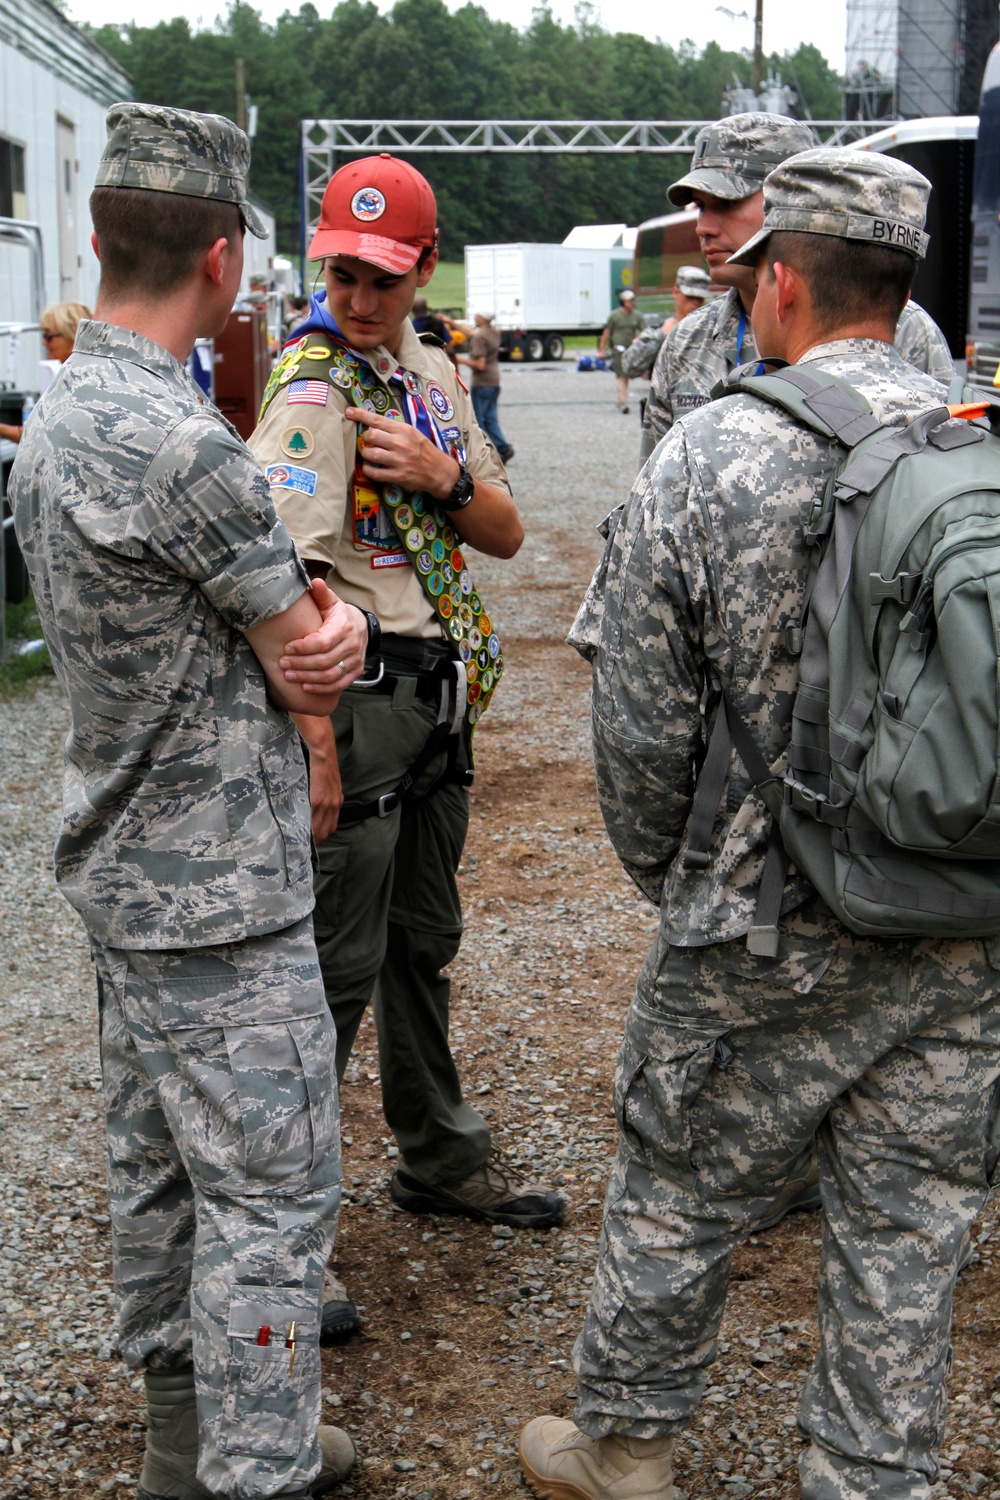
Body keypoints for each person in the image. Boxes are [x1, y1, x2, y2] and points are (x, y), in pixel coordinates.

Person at [520, 146, 1000, 1500]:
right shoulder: (977, 435)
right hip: (963, 912)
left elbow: (640, 734)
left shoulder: (712, 450)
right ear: (899, 282)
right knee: (914, 1222)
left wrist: (678, 875)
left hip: (757, 916)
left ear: (780, 282)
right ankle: (871, 1473)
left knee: (679, 1175)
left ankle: (626, 1450)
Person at [10, 101, 370, 1500]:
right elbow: (308, 657)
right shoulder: (183, 446)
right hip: (221, 890)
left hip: (126, 871)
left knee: (159, 1176)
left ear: (99, 241)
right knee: (272, 1205)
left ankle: (184, 1451)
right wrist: (324, 638)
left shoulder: (58, 418)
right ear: (223, 260)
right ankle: (261, 1469)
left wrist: (303, 630)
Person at [248, 152, 564, 1342]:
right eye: (340, 271)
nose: (357, 295)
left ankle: (437, 1153)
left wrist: (438, 474)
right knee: (328, 972)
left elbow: (507, 532)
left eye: (382, 276)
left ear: (424, 268)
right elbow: (276, 588)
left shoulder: (426, 372)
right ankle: (287, 1238)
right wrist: (316, 750)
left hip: (438, 699)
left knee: (420, 944)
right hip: (360, 697)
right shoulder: (314, 395)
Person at [639, 112, 955, 466]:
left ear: (792, 200)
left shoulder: (904, 330)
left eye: (727, 203)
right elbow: (653, 487)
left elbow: (944, 469)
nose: (703, 227)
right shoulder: (687, 344)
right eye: (700, 207)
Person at [0, 300, 92, 443]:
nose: (44, 342)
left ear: (72, 336)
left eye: (48, 336)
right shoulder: (80, 374)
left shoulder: (81, 382)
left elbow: (40, 436)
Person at [620, 266, 713, 383]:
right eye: (689, 296)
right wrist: (660, 336)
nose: (695, 302)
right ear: (675, 292)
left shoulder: (713, 331)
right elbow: (629, 367)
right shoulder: (659, 332)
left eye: (700, 297)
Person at [456, 307, 514, 462]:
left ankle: (483, 455)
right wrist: (449, 322)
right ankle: (504, 448)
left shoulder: (479, 337)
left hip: (482, 382)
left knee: (479, 421)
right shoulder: (493, 332)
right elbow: (470, 333)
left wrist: (460, 360)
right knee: (491, 418)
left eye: (476, 315)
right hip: (495, 380)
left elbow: (480, 365)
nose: (474, 317)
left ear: (481, 318)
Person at [598, 287, 646, 413]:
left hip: (631, 349)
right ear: (623, 301)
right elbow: (607, 333)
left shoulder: (637, 316)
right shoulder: (614, 316)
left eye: (632, 300)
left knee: (627, 375)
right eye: (628, 300)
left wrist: (638, 341)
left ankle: (621, 400)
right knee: (621, 376)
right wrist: (601, 350)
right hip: (618, 348)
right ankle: (622, 401)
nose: (631, 302)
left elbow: (644, 332)